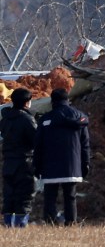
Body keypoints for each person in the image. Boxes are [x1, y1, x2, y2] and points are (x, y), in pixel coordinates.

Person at [33, 88, 90, 227]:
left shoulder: (45, 119)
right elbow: (85, 145)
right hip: (72, 164)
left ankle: (50, 222)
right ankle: (71, 222)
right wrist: (85, 163)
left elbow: (38, 145)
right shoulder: (79, 117)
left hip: (50, 164)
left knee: (50, 196)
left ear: (52, 101)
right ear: (68, 100)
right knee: (70, 196)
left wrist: (37, 165)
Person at [1, 88, 37, 228]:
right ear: (27, 102)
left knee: (9, 194)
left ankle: (8, 224)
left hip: (8, 161)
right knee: (25, 194)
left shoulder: (5, 119)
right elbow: (36, 139)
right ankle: (20, 225)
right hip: (24, 162)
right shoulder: (27, 119)